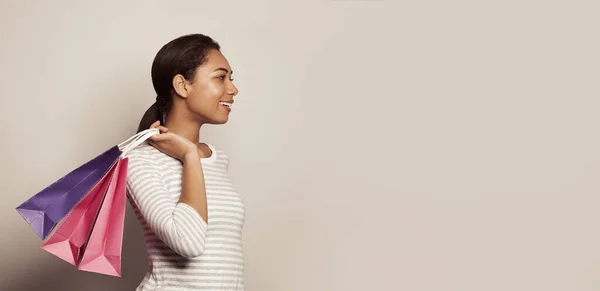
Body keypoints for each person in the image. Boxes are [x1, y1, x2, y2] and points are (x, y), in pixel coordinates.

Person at [125, 33, 244, 290]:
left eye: (231, 78)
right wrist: (189, 156)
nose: (233, 89)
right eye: (220, 77)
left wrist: (194, 155)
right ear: (183, 85)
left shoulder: (217, 159)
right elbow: (188, 242)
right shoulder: (139, 161)